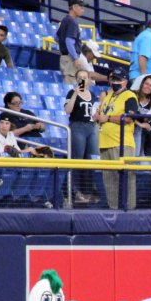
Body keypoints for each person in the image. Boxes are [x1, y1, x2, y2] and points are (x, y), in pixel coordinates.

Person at [94, 67, 139, 209]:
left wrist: (106, 117)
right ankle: (113, 209)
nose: (115, 82)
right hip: (105, 142)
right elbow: (101, 115)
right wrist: (98, 117)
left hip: (122, 142)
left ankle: (129, 208)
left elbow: (130, 118)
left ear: (125, 81)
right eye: (113, 79)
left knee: (127, 177)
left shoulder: (130, 96)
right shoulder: (108, 96)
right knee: (109, 179)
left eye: (118, 79)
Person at [64, 69, 99, 204]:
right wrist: (75, 94)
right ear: (76, 79)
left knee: (92, 159)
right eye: (80, 77)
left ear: (89, 80)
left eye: (85, 77)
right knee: (77, 159)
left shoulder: (93, 95)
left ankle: (89, 190)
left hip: (91, 127)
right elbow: (68, 110)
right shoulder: (72, 93)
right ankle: (73, 190)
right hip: (77, 126)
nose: (83, 80)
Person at [55, 0, 87, 84]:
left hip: (66, 56)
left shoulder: (65, 20)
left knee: (79, 81)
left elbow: (56, 37)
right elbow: (69, 41)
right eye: (81, 7)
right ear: (74, 7)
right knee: (72, 84)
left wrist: (63, 45)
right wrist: (75, 58)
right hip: (71, 58)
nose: (83, 10)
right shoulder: (72, 22)